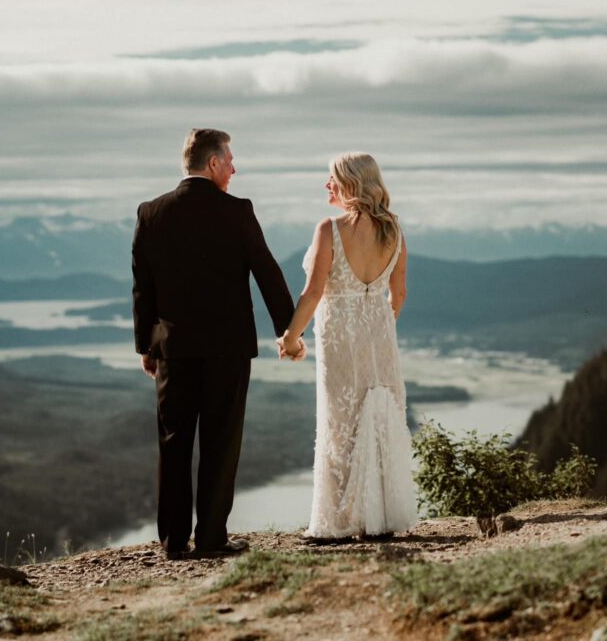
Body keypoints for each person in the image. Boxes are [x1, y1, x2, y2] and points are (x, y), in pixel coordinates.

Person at [132, 128, 302, 560]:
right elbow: (267, 273)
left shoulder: (151, 212)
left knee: (173, 443)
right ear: (212, 164)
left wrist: (145, 346)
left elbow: (143, 287)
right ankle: (211, 539)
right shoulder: (237, 211)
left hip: (173, 349)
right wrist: (289, 332)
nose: (234, 168)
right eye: (230, 161)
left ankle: (172, 542)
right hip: (227, 348)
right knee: (220, 443)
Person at [278, 152, 417, 541]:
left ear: (350, 184)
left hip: (340, 341)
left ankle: (338, 523)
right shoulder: (394, 230)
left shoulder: (330, 229)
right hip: (380, 339)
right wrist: (380, 325)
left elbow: (313, 292)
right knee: (379, 419)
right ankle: (382, 519)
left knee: (340, 424)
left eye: (332, 179)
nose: (327, 186)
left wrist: (290, 339)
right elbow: (399, 292)